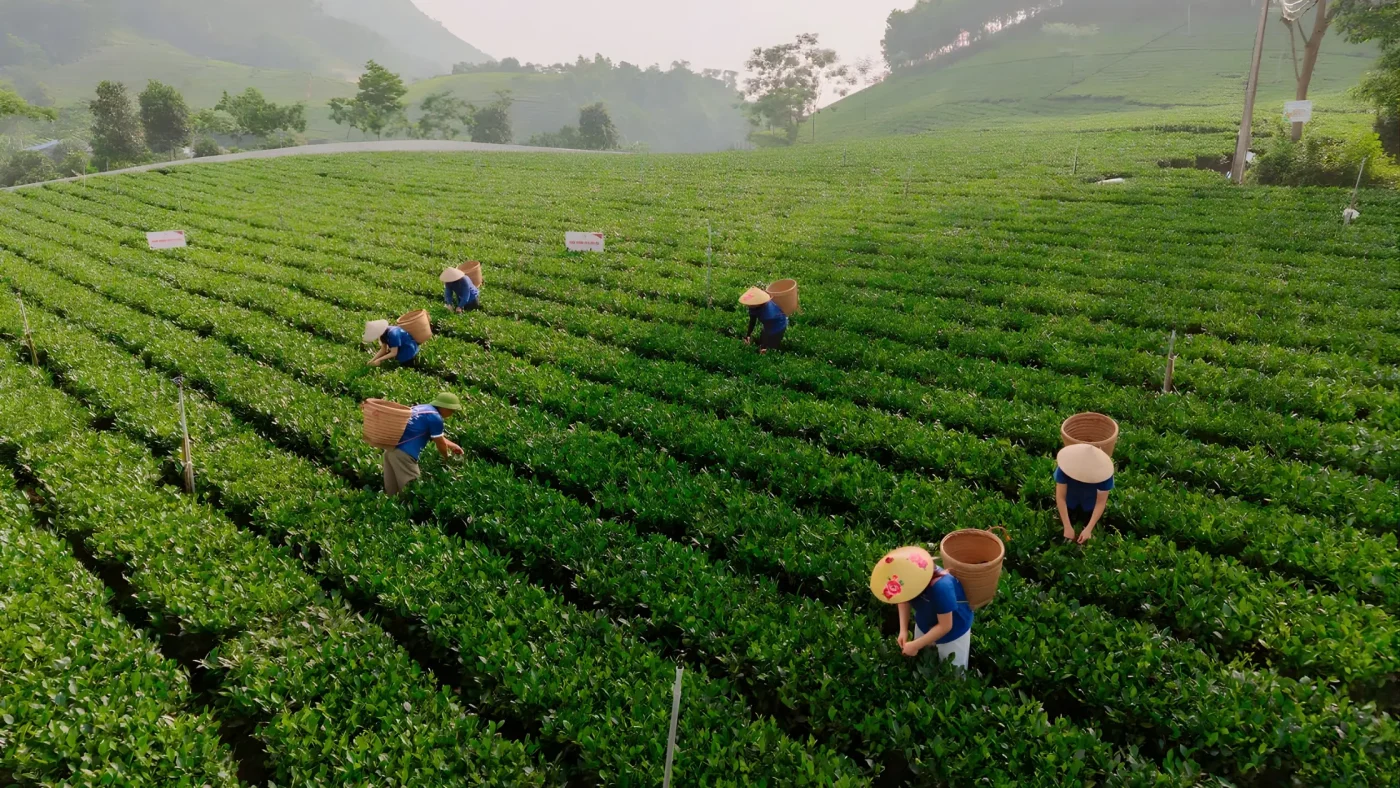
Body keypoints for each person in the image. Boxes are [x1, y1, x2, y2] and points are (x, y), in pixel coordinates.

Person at [870, 545, 973, 670]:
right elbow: (903, 599)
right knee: (924, 664)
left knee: (952, 670)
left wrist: (915, 645)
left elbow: (945, 626)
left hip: (954, 631)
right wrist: (903, 630)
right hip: (925, 622)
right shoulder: (908, 580)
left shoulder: (941, 587)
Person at [383, 392, 466, 495]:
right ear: (445, 408)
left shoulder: (421, 409)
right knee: (413, 490)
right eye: (452, 411)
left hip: (390, 449)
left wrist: (453, 446)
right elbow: (440, 443)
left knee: (392, 492)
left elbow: (436, 436)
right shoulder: (435, 418)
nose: (451, 414)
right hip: (404, 455)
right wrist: (446, 458)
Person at [1054, 443, 1115, 544]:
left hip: (1091, 506)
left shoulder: (1105, 475)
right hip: (1069, 503)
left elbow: (1100, 502)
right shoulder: (1064, 469)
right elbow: (1061, 497)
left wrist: (1088, 529)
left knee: (1089, 536)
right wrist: (1067, 526)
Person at [738, 287, 788, 354]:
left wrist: (764, 346)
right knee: (762, 341)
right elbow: (752, 321)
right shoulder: (753, 306)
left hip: (779, 325)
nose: (748, 305)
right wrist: (748, 335)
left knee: (770, 347)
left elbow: (768, 330)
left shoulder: (768, 313)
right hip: (769, 324)